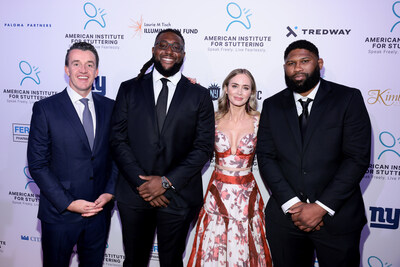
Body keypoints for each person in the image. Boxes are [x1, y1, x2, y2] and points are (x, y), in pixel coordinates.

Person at [256, 39, 371, 267]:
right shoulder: (272, 105)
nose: (297, 68)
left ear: (319, 63)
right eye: (291, 63)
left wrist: (320, 207)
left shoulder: (347, 99)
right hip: (286, 220)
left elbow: (356, 158)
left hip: (337, 218)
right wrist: (293, 205)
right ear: (285, 68)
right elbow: (266, 157)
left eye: (304, 61)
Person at [110, 28, 215, 267]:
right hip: (134, 195)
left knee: (171, 262)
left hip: (178, 197)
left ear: (183, 55)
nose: (169, 51)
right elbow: (117, 139)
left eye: (176, 47)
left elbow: (203, 149)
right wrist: (144, 185)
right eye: (163, 45)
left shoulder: (199, 95)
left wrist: (165, 182)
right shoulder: (129, 89)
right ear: (154, 50)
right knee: (134, 261)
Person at [27, 42, 117, 267]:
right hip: (59, 215)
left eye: (90, 65)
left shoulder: (111, 107)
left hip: (98, 213)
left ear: (97, 71)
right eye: (76, 64)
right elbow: (37, 164)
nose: (83, 70)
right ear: (67, 69)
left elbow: (117, 155)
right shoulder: (45, 108)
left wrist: (109, 192)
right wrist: (69, 203)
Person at [188, 69, 272, 267]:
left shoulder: (260, 121)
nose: (239, 92)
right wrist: (188, 88)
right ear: (225, 89)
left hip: (246, 196)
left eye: (245, 87)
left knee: (244, 249)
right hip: (217, 195)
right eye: (234, 86)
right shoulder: (212, 119)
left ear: (252, 93)